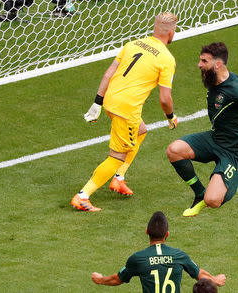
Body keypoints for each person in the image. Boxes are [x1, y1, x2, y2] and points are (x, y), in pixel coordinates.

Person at [71, 12, 179, 211]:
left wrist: (97, 102)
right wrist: (170, 116)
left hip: (111, 99)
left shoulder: (134, 44)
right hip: (126, 109)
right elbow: (165, 99)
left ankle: (119, 179)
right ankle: (83, 196)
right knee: (116, 156)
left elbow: (108, 73)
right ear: (171, 33)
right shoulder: (166, 59)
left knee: (141, 131)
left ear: (155, 28)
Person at [166, 42, 238, 217]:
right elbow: (237, 106)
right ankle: (199, 194)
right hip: (216, 138)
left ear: (218, 64)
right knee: (174, 150)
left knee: (212, 200)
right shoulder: (213, 78)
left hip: (233, 149)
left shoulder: (236, 88)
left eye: (204, 61)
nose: (199, 65)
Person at [91, 211, 226, 292]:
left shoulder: (138, 258)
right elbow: (199, 273)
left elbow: (117, 279)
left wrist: (100, 280)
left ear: (147, 232)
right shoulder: (179, 255)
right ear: (167, 234)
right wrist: (215, 280)